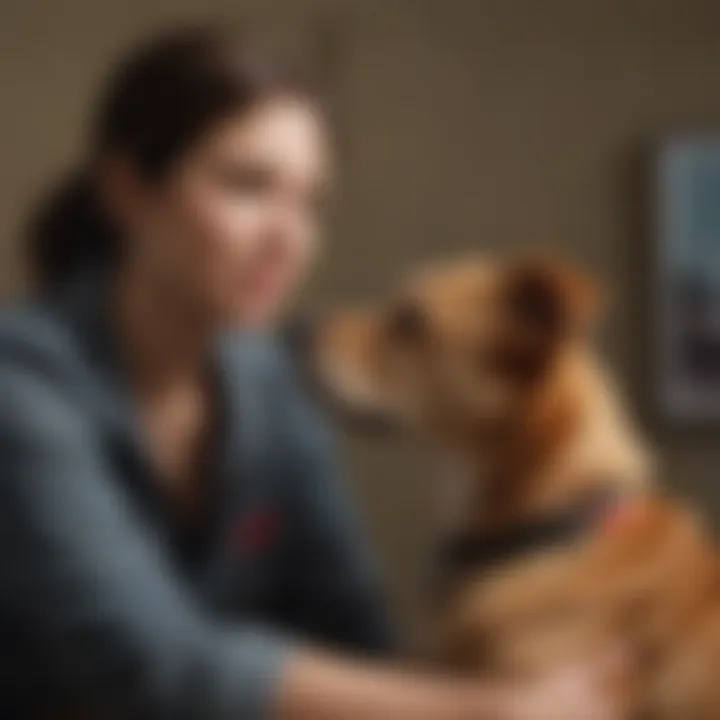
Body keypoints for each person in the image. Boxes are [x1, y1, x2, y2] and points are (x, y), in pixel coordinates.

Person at [0, 25, 625, 720]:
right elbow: (150, 665)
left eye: (310, 203)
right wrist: (484, 711)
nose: (288, 238)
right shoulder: (21, 382)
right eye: (248, 186)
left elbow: (355, 635)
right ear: (126, 190)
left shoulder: (269, 385)